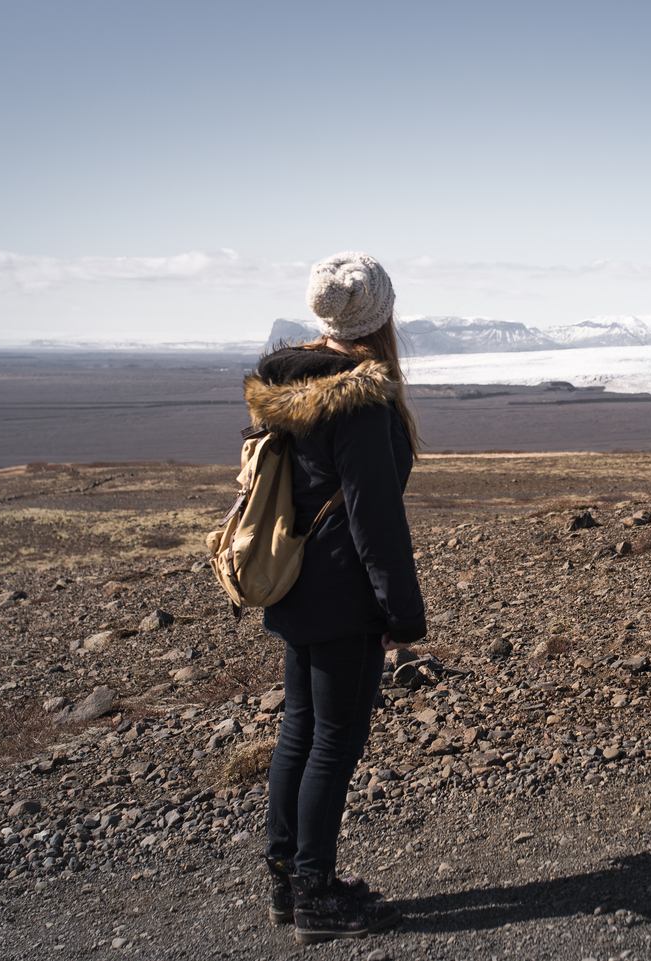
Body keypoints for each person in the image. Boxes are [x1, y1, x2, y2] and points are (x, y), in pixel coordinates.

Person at [242, 251, 426, 944]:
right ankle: (315, 891)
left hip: (293, 580)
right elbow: (373, 517)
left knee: (298, 729)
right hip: (342, 593)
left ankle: (287, 881)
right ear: (379, 316)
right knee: (333, 741)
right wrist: (401, 611)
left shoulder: (288, 377)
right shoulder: (359, 395)